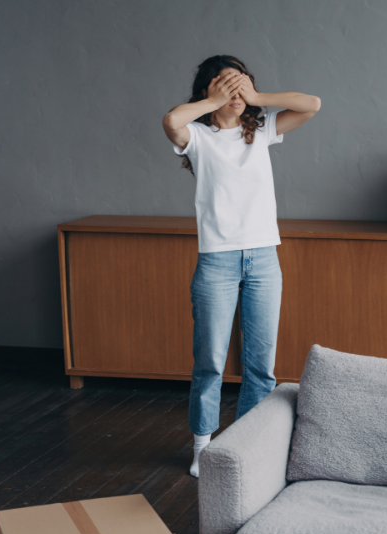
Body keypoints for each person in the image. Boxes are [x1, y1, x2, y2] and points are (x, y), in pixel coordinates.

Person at [162, 55, 320, 477]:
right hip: (217, 260)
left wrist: (255, 97)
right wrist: (213, 99)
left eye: (241, 84)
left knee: (260, 366)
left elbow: (312, 104)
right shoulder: (197, 136)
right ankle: (203, 447)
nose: (236, 93)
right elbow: (172, 120)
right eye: (225, 85)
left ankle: (246, 446)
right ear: (208, 91)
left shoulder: (261, 129)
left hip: (264, 258)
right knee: (210, 360)